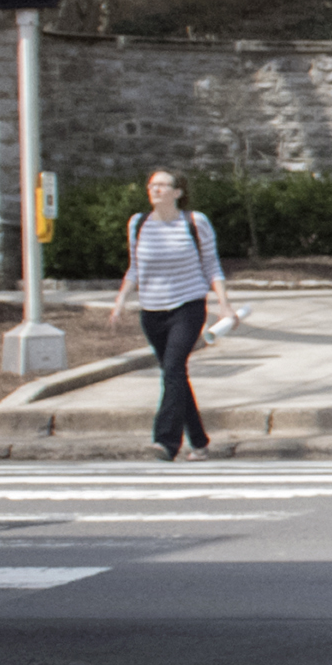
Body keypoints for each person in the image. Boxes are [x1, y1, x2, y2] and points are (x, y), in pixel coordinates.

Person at [109, 168, 237, 461]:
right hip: (151, 311)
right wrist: (120, 301)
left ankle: (165, 442)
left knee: (174, 368)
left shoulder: (194, 222)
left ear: (178, 192)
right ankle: (200, 441)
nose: (154, 190)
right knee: (173, 374)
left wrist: (224, 304)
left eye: (162, 185)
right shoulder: (138, 224)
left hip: (187, 306)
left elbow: (211, 266)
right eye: (151, 185)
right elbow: (135, 267)